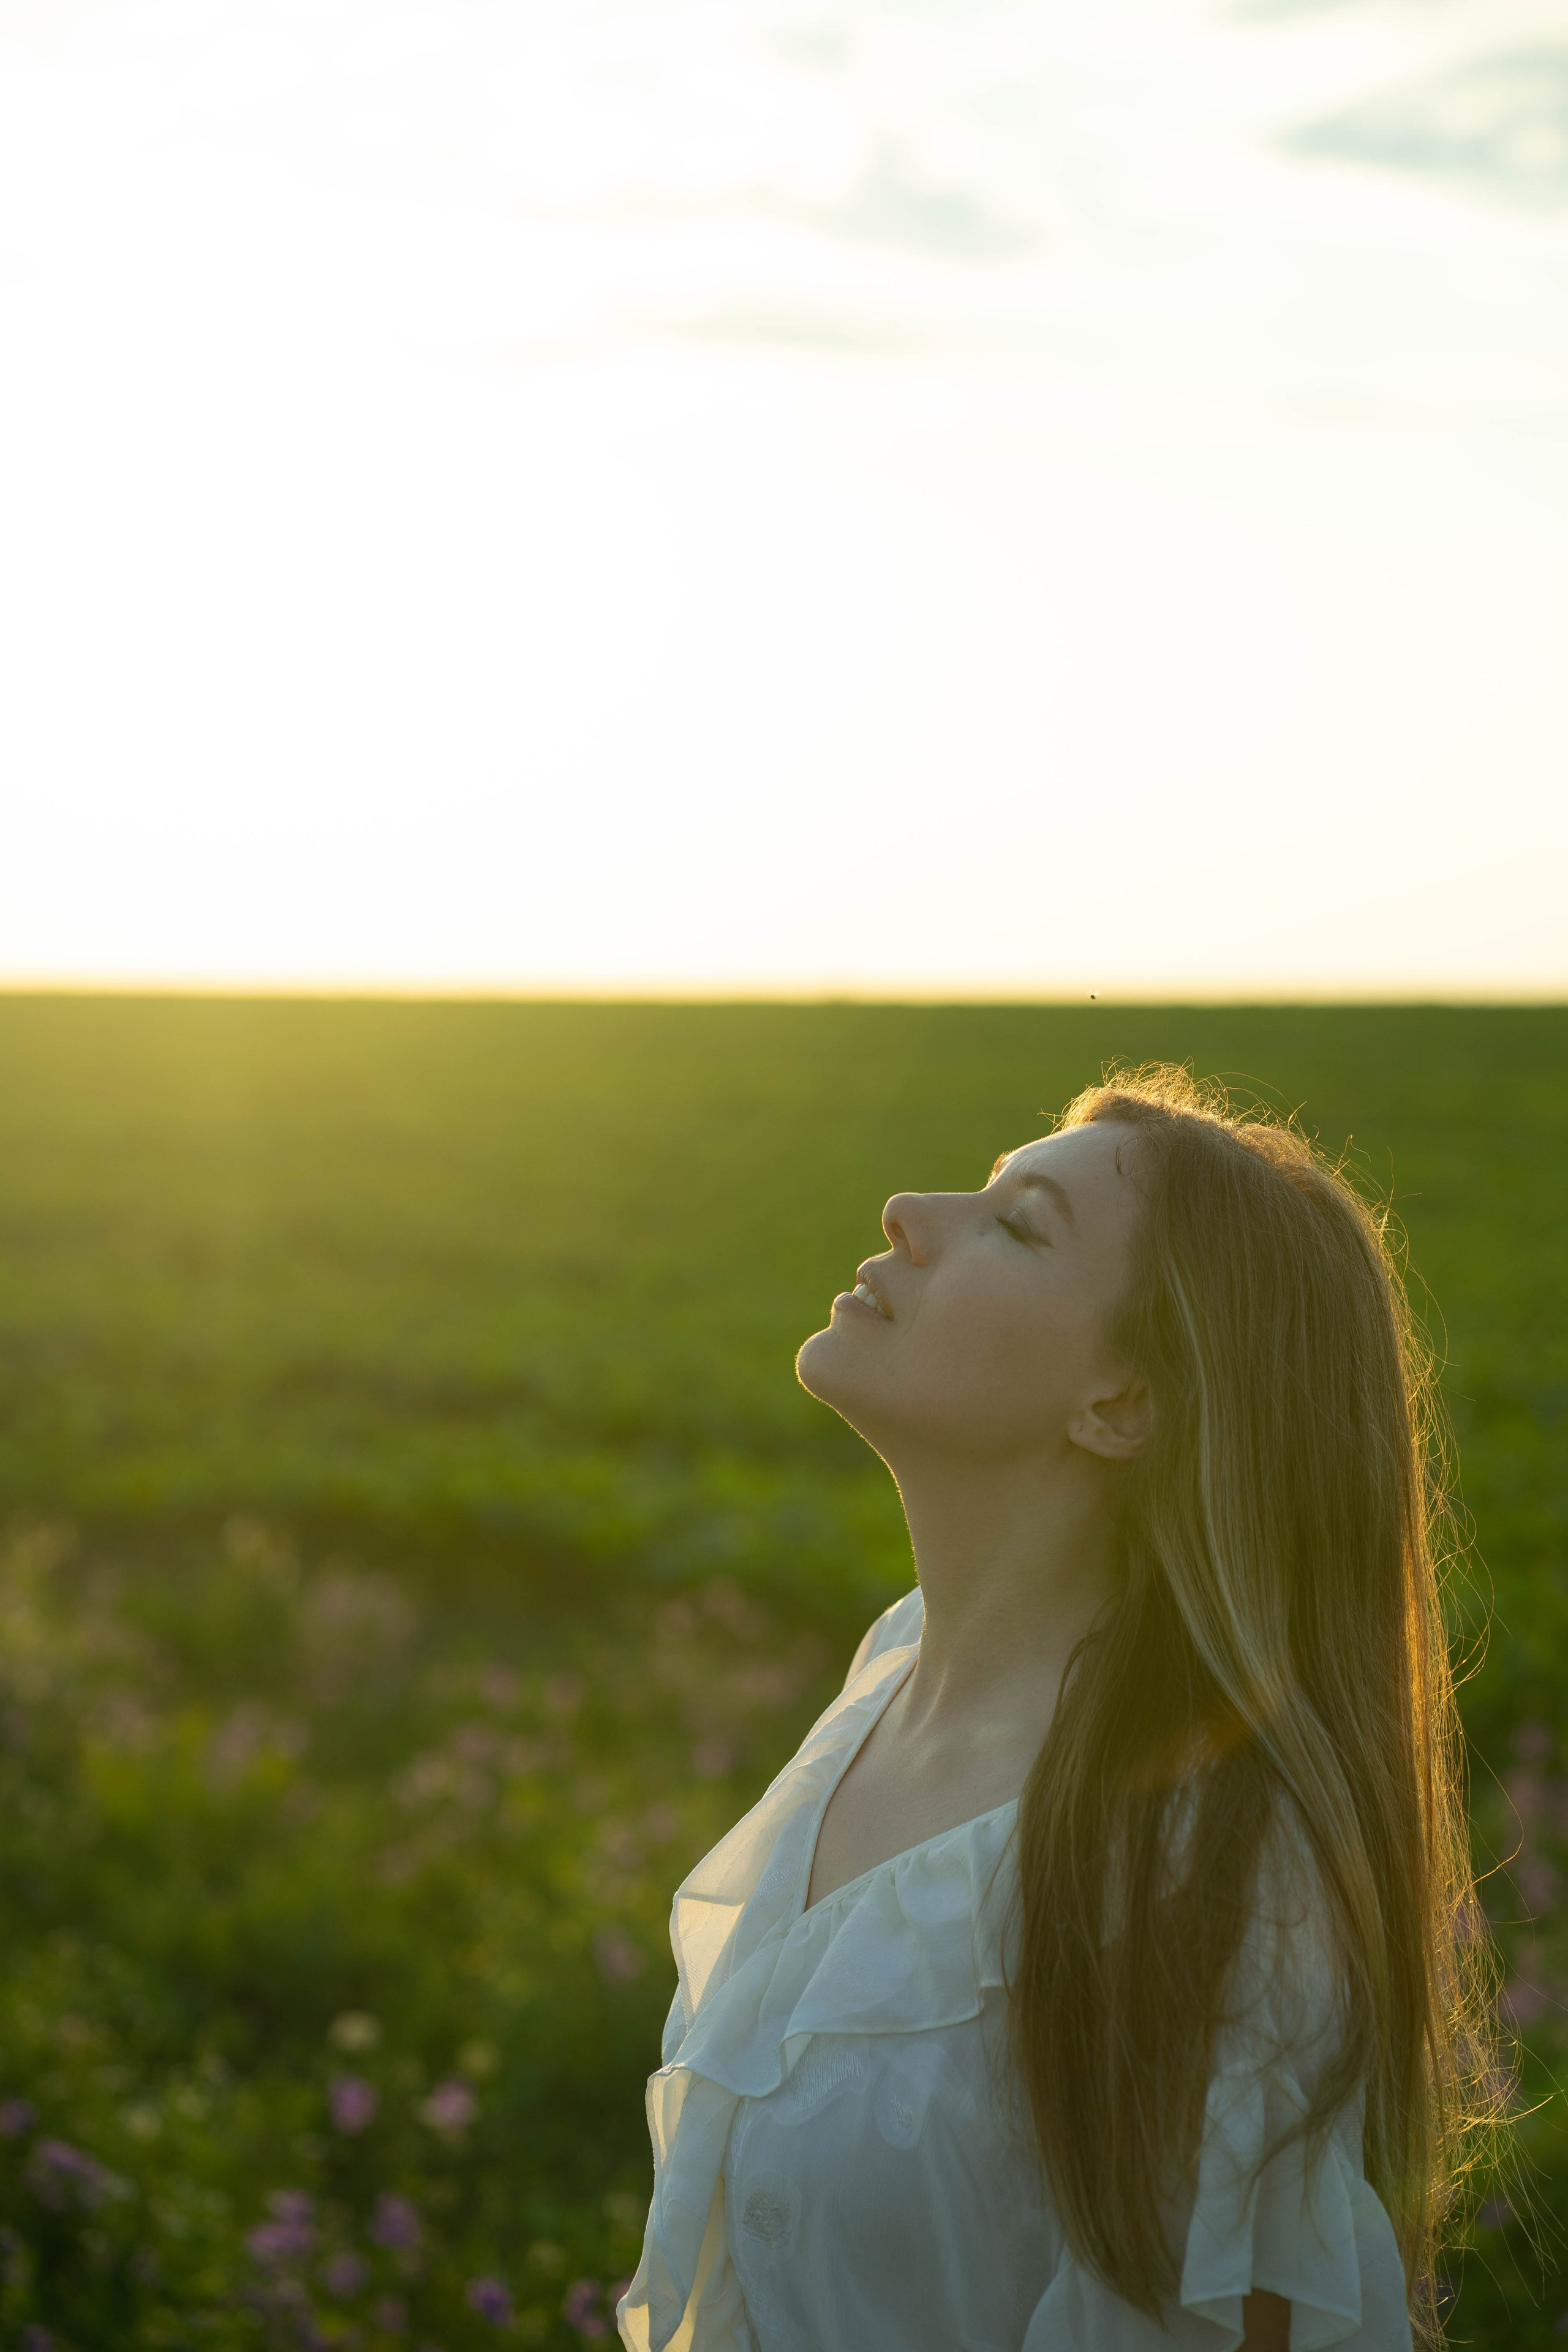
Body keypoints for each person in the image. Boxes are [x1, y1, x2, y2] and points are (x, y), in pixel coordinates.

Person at [617, 1066, 1497, 2352]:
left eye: (1017, 1225)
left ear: (1122, 1403)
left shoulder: (1208, 1878)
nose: (908, 1209)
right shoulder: (890, 1674)